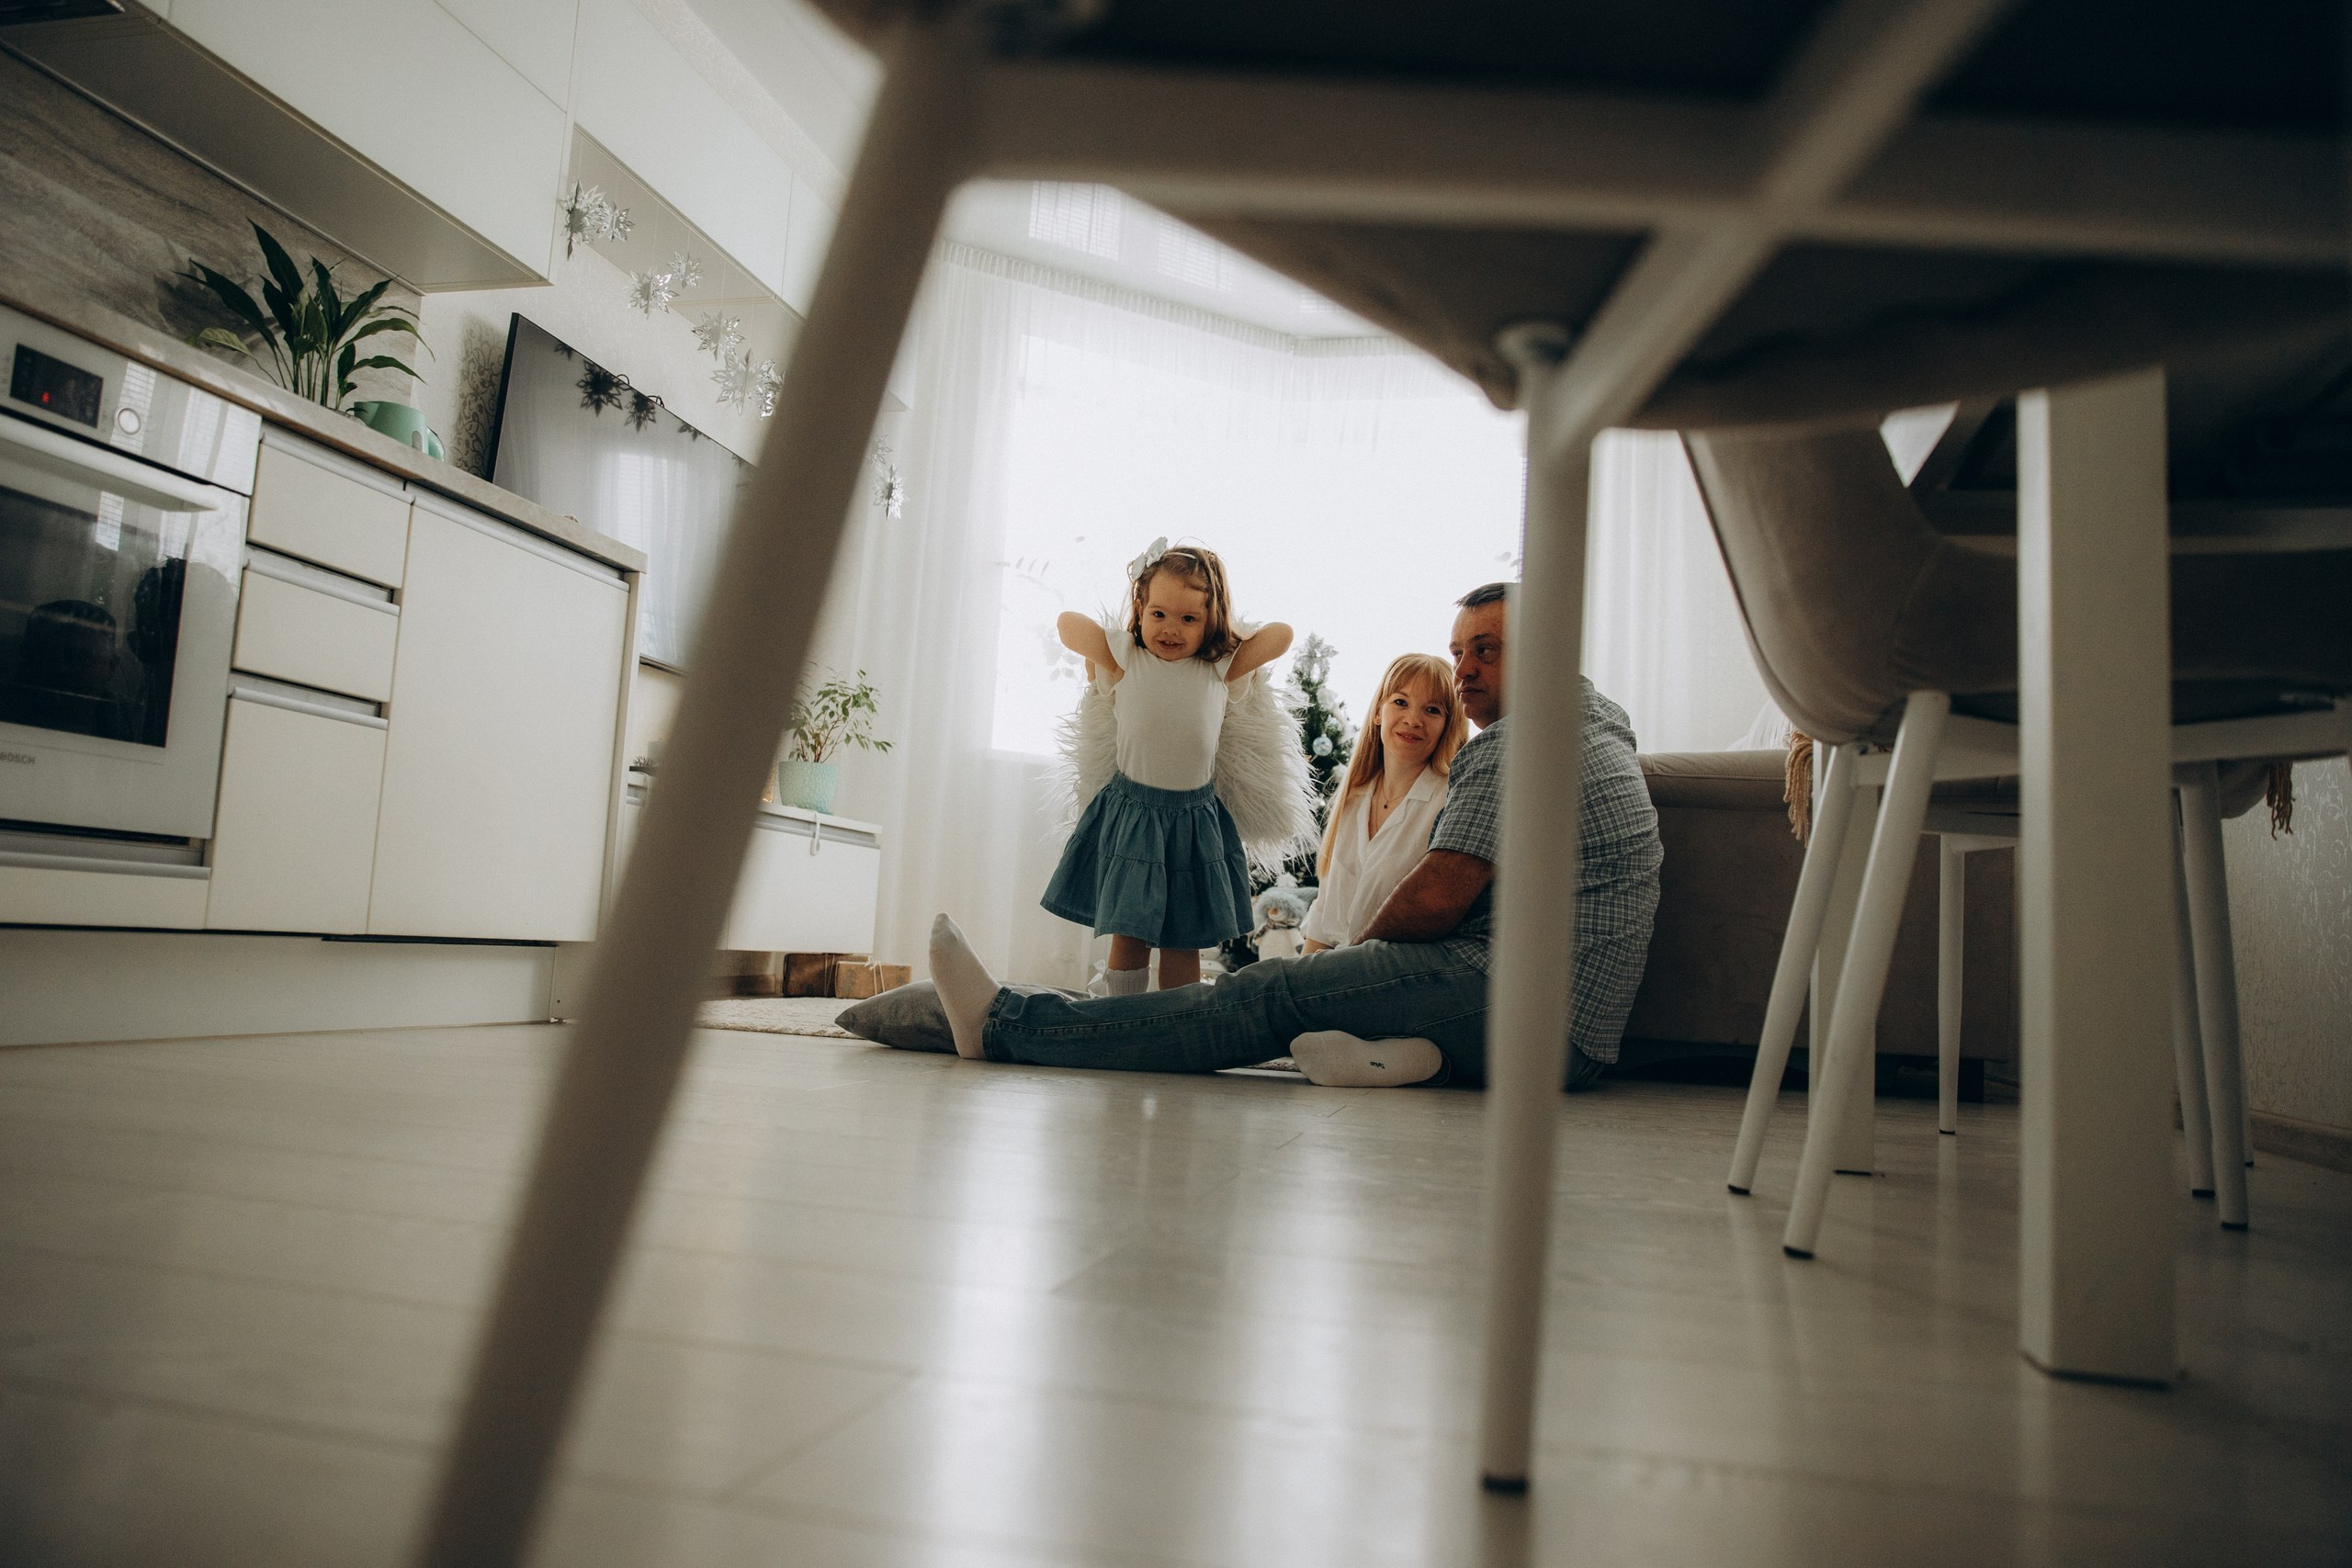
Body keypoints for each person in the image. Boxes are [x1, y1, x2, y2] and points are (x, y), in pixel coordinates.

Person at [927, 581, 1664, 1089]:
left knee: (1274, 992)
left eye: (1488, 651)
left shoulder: (1517, 745)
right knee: (1311, 1000)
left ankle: (1009, 1025)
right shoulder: (1600, 725)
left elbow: (1436, 901)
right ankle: (1396, 1058)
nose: (1464, 670)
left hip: (1525, 1010)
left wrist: (1347, 967)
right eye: (1459, 649)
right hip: (1570, 1035)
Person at [1042, 538, 1297, 991]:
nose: (1171, 629)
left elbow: (1281, 635)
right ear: (1140, 610)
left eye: (1189, 618)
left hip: (1193, 821)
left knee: (1184, 936)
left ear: (1209, 622)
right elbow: (1067, 625)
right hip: (1132, 813)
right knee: (1130, 930)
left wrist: (1226, 634)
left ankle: (1176, 1021)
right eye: (1158, 613)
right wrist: (1129, 622)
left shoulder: (1219, 670)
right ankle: (1122, 1015)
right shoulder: (1125, 658)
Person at [1298, 651, 1468, 953]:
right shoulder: (1353, 799)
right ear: (1378, 711)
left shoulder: (1451, 801)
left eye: (1432, 710)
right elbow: (1324, 921)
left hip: (1390, 979)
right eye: (1401, 702)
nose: (1413, 720)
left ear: (1448, 724)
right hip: (1330, 973)